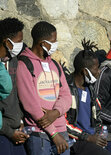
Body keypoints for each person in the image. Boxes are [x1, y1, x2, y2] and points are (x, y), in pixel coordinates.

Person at [16, 21, 72, 155]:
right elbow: (31, 105)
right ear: (42, 43)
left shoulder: (55, 65)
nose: (56, 44)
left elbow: (66, 96)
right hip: (39, 134)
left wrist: (56, 112)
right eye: (53, 41)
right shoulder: (24, 65)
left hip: (62, 131)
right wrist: (53, 133)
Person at [66, 39, 111, 155]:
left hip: (91, 140)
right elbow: (64, 123)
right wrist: (87, 137)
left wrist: (98, 135)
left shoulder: (90, 88)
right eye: (96, 68)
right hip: (76, 141)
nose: (99, 71)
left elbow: (98, 116)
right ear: (85, 72)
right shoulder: (67, 89)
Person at [0, 18, 25, 155]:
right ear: (7, 42)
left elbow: (15, 94)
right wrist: (9, 132)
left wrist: (19, 119)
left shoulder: (13, 61)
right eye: (18, 41)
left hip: (15, 129)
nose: (21, 45)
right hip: (3, 132)